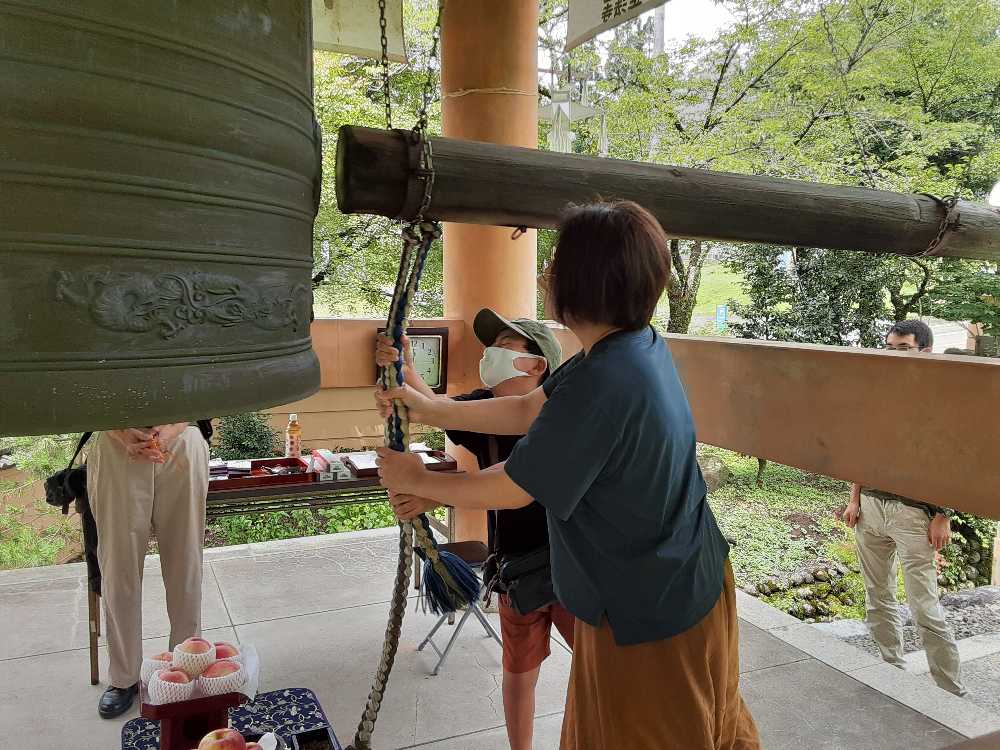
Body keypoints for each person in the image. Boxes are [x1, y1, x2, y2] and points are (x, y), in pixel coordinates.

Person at [375, 201, 760, 750]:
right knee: (711, 727)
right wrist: (431, 408)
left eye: (556, 261)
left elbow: (513, 486)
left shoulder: (605, 382)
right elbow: (528, 408)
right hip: (682, 581)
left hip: (651, 609)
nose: (545, 271)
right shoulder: (626, 348)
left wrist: (420, 480)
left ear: (581, 282)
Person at [375, 308, 574, 750]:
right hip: (516, 569)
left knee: (597, 671)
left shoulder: (558, 419)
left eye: (505, 345)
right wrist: (403, 362)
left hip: (570, 570)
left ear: (536, 364)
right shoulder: (481, 405)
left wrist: (428, 488)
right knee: (518, 675)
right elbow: (436, 409)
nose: (490, 353)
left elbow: (512, 486)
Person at [838, 319, 965, 696]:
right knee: (878, 599)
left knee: (924, 607)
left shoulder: (942, 398)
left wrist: (944, 513)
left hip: (913, 515)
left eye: (904, 348)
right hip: (871, 507)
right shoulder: (878, 394)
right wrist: (854, 498)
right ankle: (891, 674)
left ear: (925, 350)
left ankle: (950, 692)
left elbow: (956, 458)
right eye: (890, 347)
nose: (894, 354)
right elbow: (861, 448)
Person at [88, 423, 210, 718]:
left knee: (186, 567)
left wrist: (173, 428)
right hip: (115, 442)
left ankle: (187, 667)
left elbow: (210, 393)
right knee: (118, 569)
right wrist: (121, 434)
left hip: (183, 439)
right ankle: (124, 678)